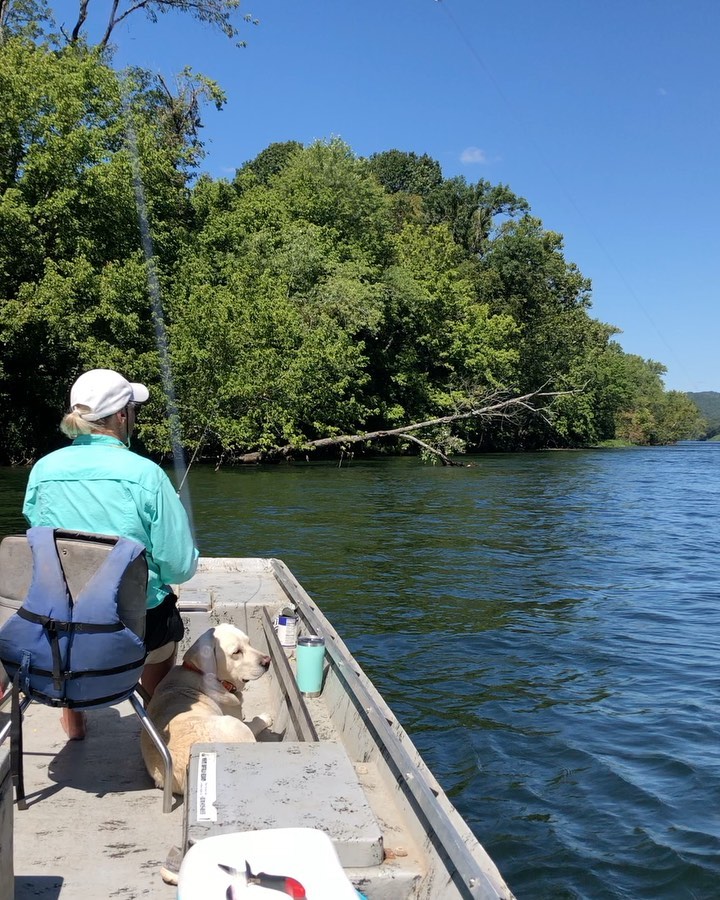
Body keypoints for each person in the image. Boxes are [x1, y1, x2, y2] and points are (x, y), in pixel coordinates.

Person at [22, 368, 199, 740]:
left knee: (70, 601)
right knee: (163, 613)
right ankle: (156, 716)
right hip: (134, 629)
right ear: (122, 416)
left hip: (58, 625)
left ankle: (74, 721)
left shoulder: (42, 471)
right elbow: (179, 567)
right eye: (133, 409)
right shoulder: (146, 475)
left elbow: (43, 546)